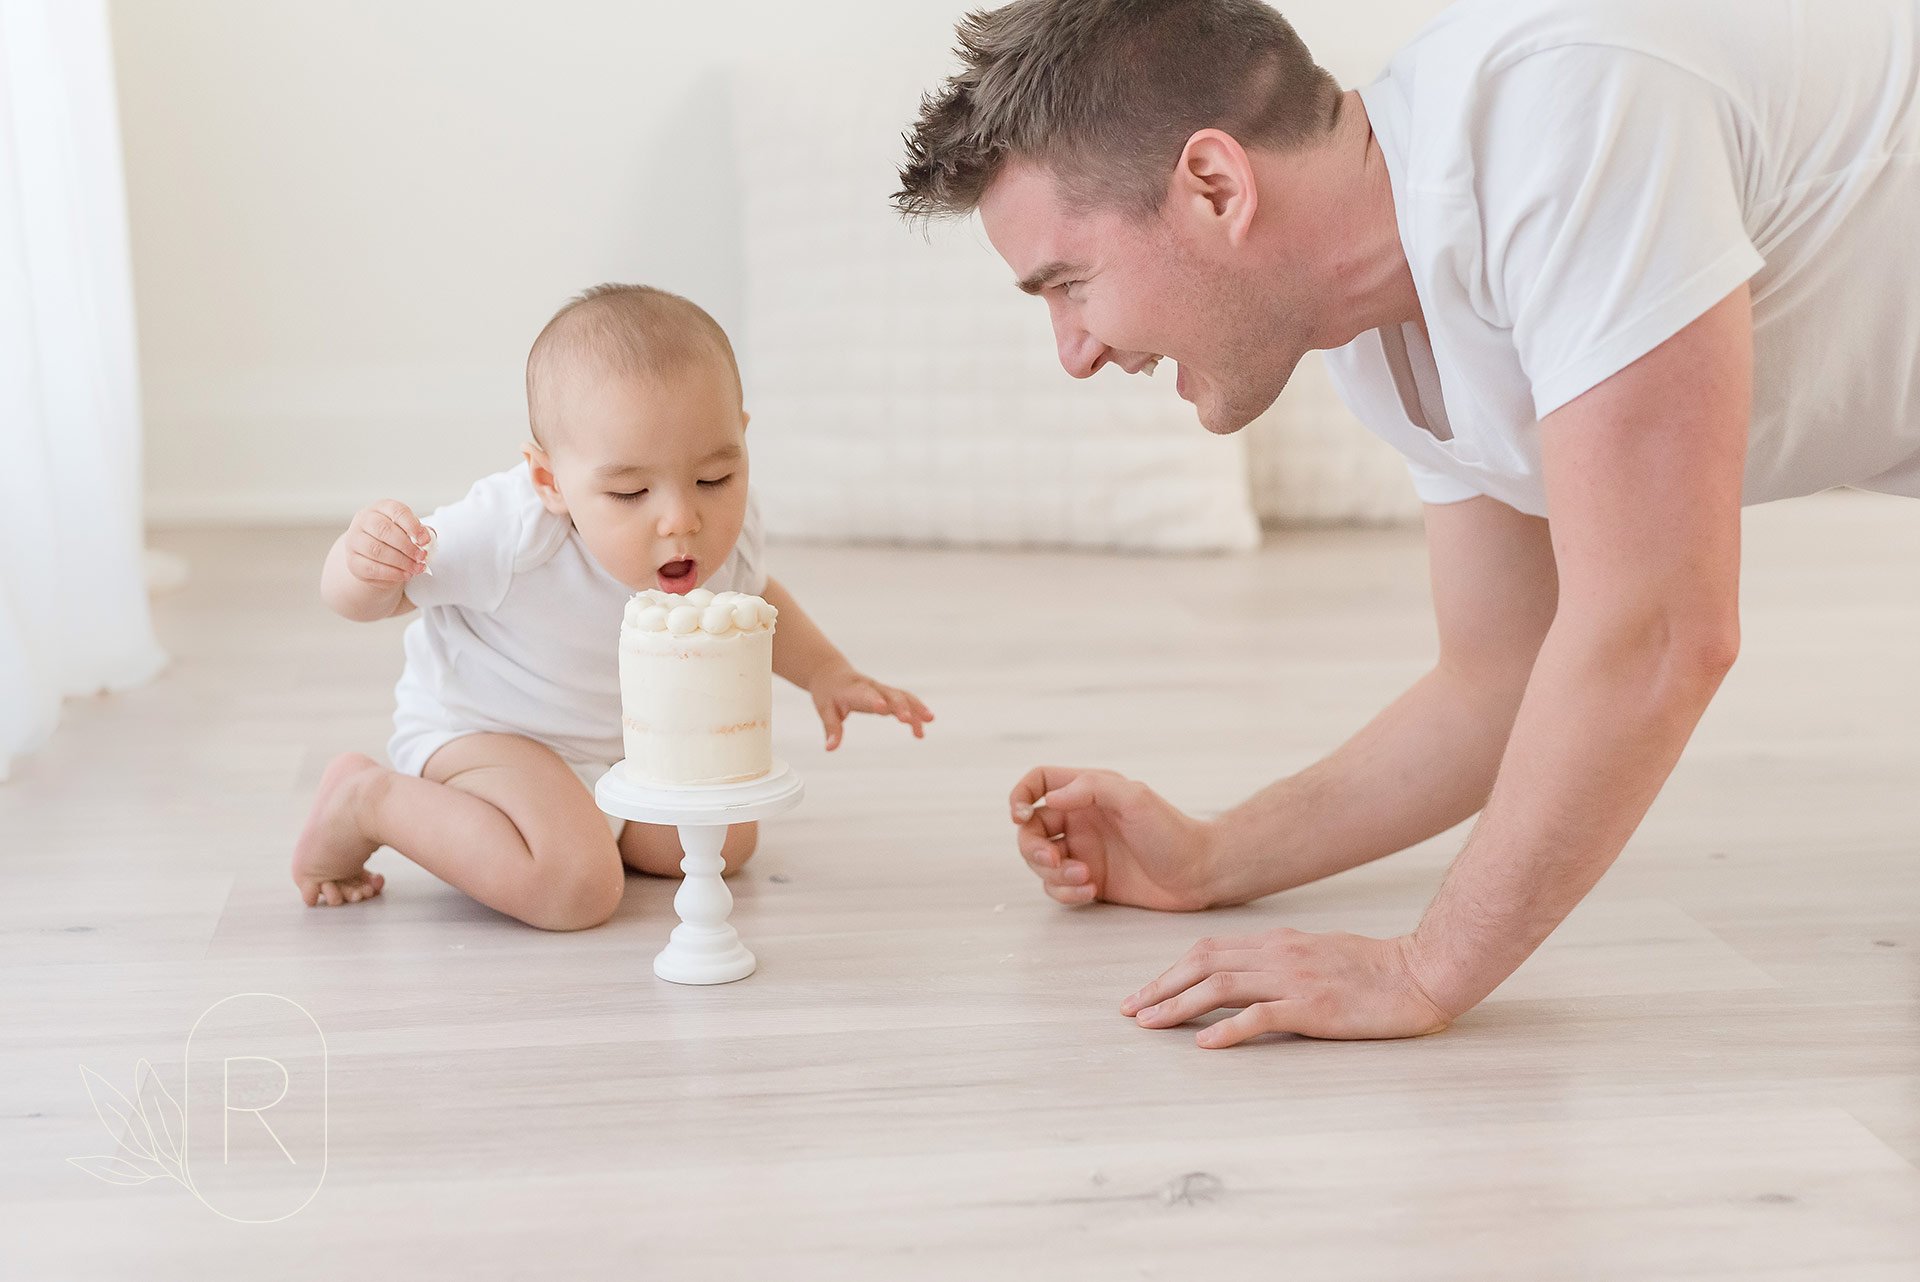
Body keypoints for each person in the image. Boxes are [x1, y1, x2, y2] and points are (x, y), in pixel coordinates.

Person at [894, 0, 1920, 1046]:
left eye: (1068, 284)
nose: (1074, 350)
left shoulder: (1562, 118)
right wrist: (1210, 855)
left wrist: (1423, 971)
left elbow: (1656, 637)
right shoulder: (1378, 328)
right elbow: (1497, 682)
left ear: (1216, 186)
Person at [292, 284, 933, 929]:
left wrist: (828, 672)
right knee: (576, 890)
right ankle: (366, 799)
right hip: (488, 737)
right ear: (550, 482)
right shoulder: (508, 533)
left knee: (728, 842)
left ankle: (589, 823)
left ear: (740, 441)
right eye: (630, 492)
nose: (682, 518)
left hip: (622, 749)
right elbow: (364, 602)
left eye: (715, 477)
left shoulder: (727, 527)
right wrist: (362, 565)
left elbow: (755, 599)